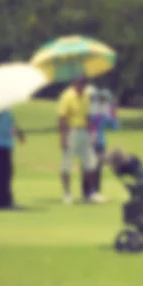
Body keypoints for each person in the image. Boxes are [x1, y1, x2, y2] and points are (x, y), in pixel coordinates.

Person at [57, 75, 101, 204]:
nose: (83, 86)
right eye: (81, 84)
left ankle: (91, 193)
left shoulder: (86, 96)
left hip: (84, 132)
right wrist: (63, 138)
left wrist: (92, 133)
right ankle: (67, 194)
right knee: (67, 164)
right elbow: (62, 118)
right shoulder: (67, 96)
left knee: (90, 163)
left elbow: (88, 116)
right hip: (71, 131)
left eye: (84, 84)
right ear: (75, 83)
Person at [82, 89, 119, 198]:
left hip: (100, 142)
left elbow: (114, 126)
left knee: (97, 168)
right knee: (90, 167)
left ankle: (93, 192)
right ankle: (89, 192)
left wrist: (113, 112)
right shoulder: (92, 110)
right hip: (90, 142)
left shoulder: (103, 111)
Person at [0, 109, 25, 209]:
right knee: (5, 173)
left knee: (0, 174)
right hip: (2, 145)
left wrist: (16, 130)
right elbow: (6, 130)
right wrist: (17, 132)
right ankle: (4, 200)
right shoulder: (4, 112)